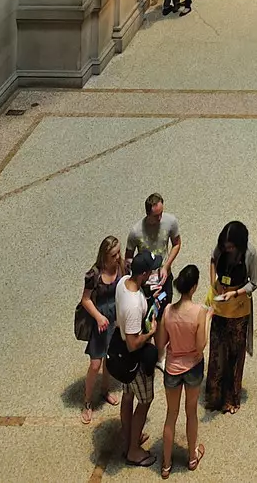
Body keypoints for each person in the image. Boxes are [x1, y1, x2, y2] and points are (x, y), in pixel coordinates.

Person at [157, 263, 208, 474]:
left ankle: (166, 464)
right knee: (191, 412)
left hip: (172, 368)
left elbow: (160, 343)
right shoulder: (199, 312)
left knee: (171, 414)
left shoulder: (168, 311)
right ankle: (192, 457)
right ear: (194, 287)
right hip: (193, 367)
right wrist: (208, 320)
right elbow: (200, 345)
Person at [112, 246, 159, 466]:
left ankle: (129, 437)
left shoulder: (123, 283)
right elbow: (132, 344)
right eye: (150, 270)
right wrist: (150, 332)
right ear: (143, 274)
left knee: (128, 395)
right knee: (145, 401)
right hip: (134, 360)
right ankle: (133, 450)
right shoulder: (133, 306)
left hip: (119, 352)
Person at [205, 219, 257, 412]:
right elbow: (212, 259)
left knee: (235, 353)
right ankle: (214, 395)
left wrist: (234, 293)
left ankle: (231, 398)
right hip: (220, 302)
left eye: (231, 246)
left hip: (238, 305)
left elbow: (254, 283)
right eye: (225, 246)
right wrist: (213, 285)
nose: (227, 249)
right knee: (217, 350)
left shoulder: (250, 253)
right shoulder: (220, 248)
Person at [79, 234, 122, 423]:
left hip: (115, 319)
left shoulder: (122, 267)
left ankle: (105, 390)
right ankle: (87, 401)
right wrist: (98, 316)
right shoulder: (94, 274)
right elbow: (85, 299)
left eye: (118, 252)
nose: (118, 257)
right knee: (95, 364)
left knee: (110, 360)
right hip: (101, 320)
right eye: (114, 255)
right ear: (104, 256)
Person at [127, 193, 182, 295]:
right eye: (156, 216)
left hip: (164, 275)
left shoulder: (171, 221)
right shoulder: (135, 232)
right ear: (148, 214)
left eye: (161, 213)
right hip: (145, 281)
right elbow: (128, 259)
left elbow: (177, 244)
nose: (160, 218)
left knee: (165, 304)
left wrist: (166, 266)